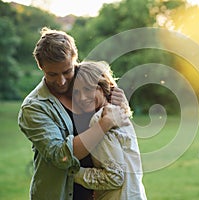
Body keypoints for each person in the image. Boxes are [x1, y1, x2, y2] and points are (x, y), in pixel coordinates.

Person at [18, 27, 129, 200]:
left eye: (67, 71)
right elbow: (61, 155)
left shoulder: (91, 84)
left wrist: (119, 102)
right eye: (52, 74)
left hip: (100, 193)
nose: (61, 81)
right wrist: (104, 124)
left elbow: (121, 130)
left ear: (74, 60)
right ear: (41, 67)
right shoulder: (34, 107)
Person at [71, 61, 147, 200]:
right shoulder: (119, 111)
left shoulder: (100, 119)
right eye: (76, 92)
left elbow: (114, 177)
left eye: (88, 89)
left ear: (103, 87)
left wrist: (74, 173)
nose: (82, 97)